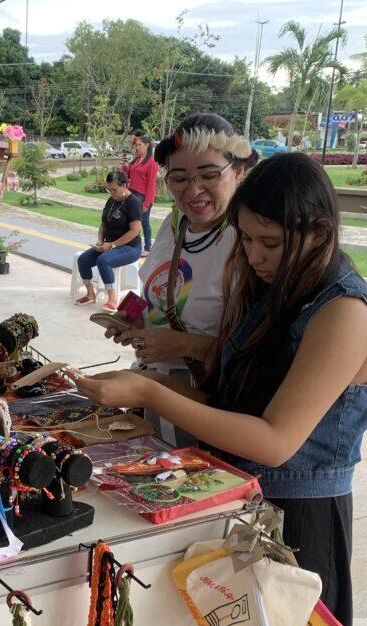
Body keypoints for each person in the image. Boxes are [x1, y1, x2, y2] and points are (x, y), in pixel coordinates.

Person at [77, 152, 367, 626]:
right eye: (246, 240)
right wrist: (149, 389)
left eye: (269, 242)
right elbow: (232, 406)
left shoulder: (344, 313)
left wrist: (153, 394)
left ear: (318, 231)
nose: (254, 256)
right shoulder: (277, 289)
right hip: (242, 500)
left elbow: (275, 440)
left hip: (301, 519)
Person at [106, 113, 257, 446]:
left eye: (209, 175)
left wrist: (184, 345)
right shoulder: (175, 225)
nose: (193, 189)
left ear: (238, 172)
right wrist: (131, 315)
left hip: (206, 404)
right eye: (178, 177)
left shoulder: (248, 242)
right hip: (152, 394)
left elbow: (261, 356)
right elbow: (154, 291)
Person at [75, 170, 143, 310]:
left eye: (114, 190)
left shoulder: (133, 203)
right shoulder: (111, 201)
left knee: (103, 260)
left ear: (125, 185)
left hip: (130, 247)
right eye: (109, 190)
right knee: (83, 260)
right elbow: (103, 224)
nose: (112, 193)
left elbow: (135, 231)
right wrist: (100, 240)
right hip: (108, 245)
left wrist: (112, 245)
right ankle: (90, 294)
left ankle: (112, 299)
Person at [121, 132, 159, 254]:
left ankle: (147, 248)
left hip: (142, 196)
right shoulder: (137, 159)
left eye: (139, 145)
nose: (137, 147)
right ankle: (131, 244)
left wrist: (147, 203)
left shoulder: (152, 162)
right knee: (131, 221)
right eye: (136, 145)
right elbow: (128, 175)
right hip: (132, 194)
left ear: (147, 145)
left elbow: (151, 185)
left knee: (144, 223)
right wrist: (125, 166)